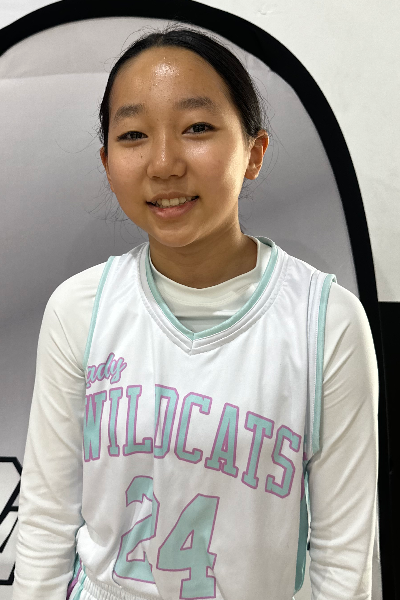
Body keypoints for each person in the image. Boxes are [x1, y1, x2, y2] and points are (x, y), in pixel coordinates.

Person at [13, 27, 378, 600]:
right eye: (133, 135)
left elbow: (344, 562)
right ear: (108, 162)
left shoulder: (327, 322)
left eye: (198, 128)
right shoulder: (78, 311)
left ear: (254, 152)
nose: (163, 163)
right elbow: (44, 526)